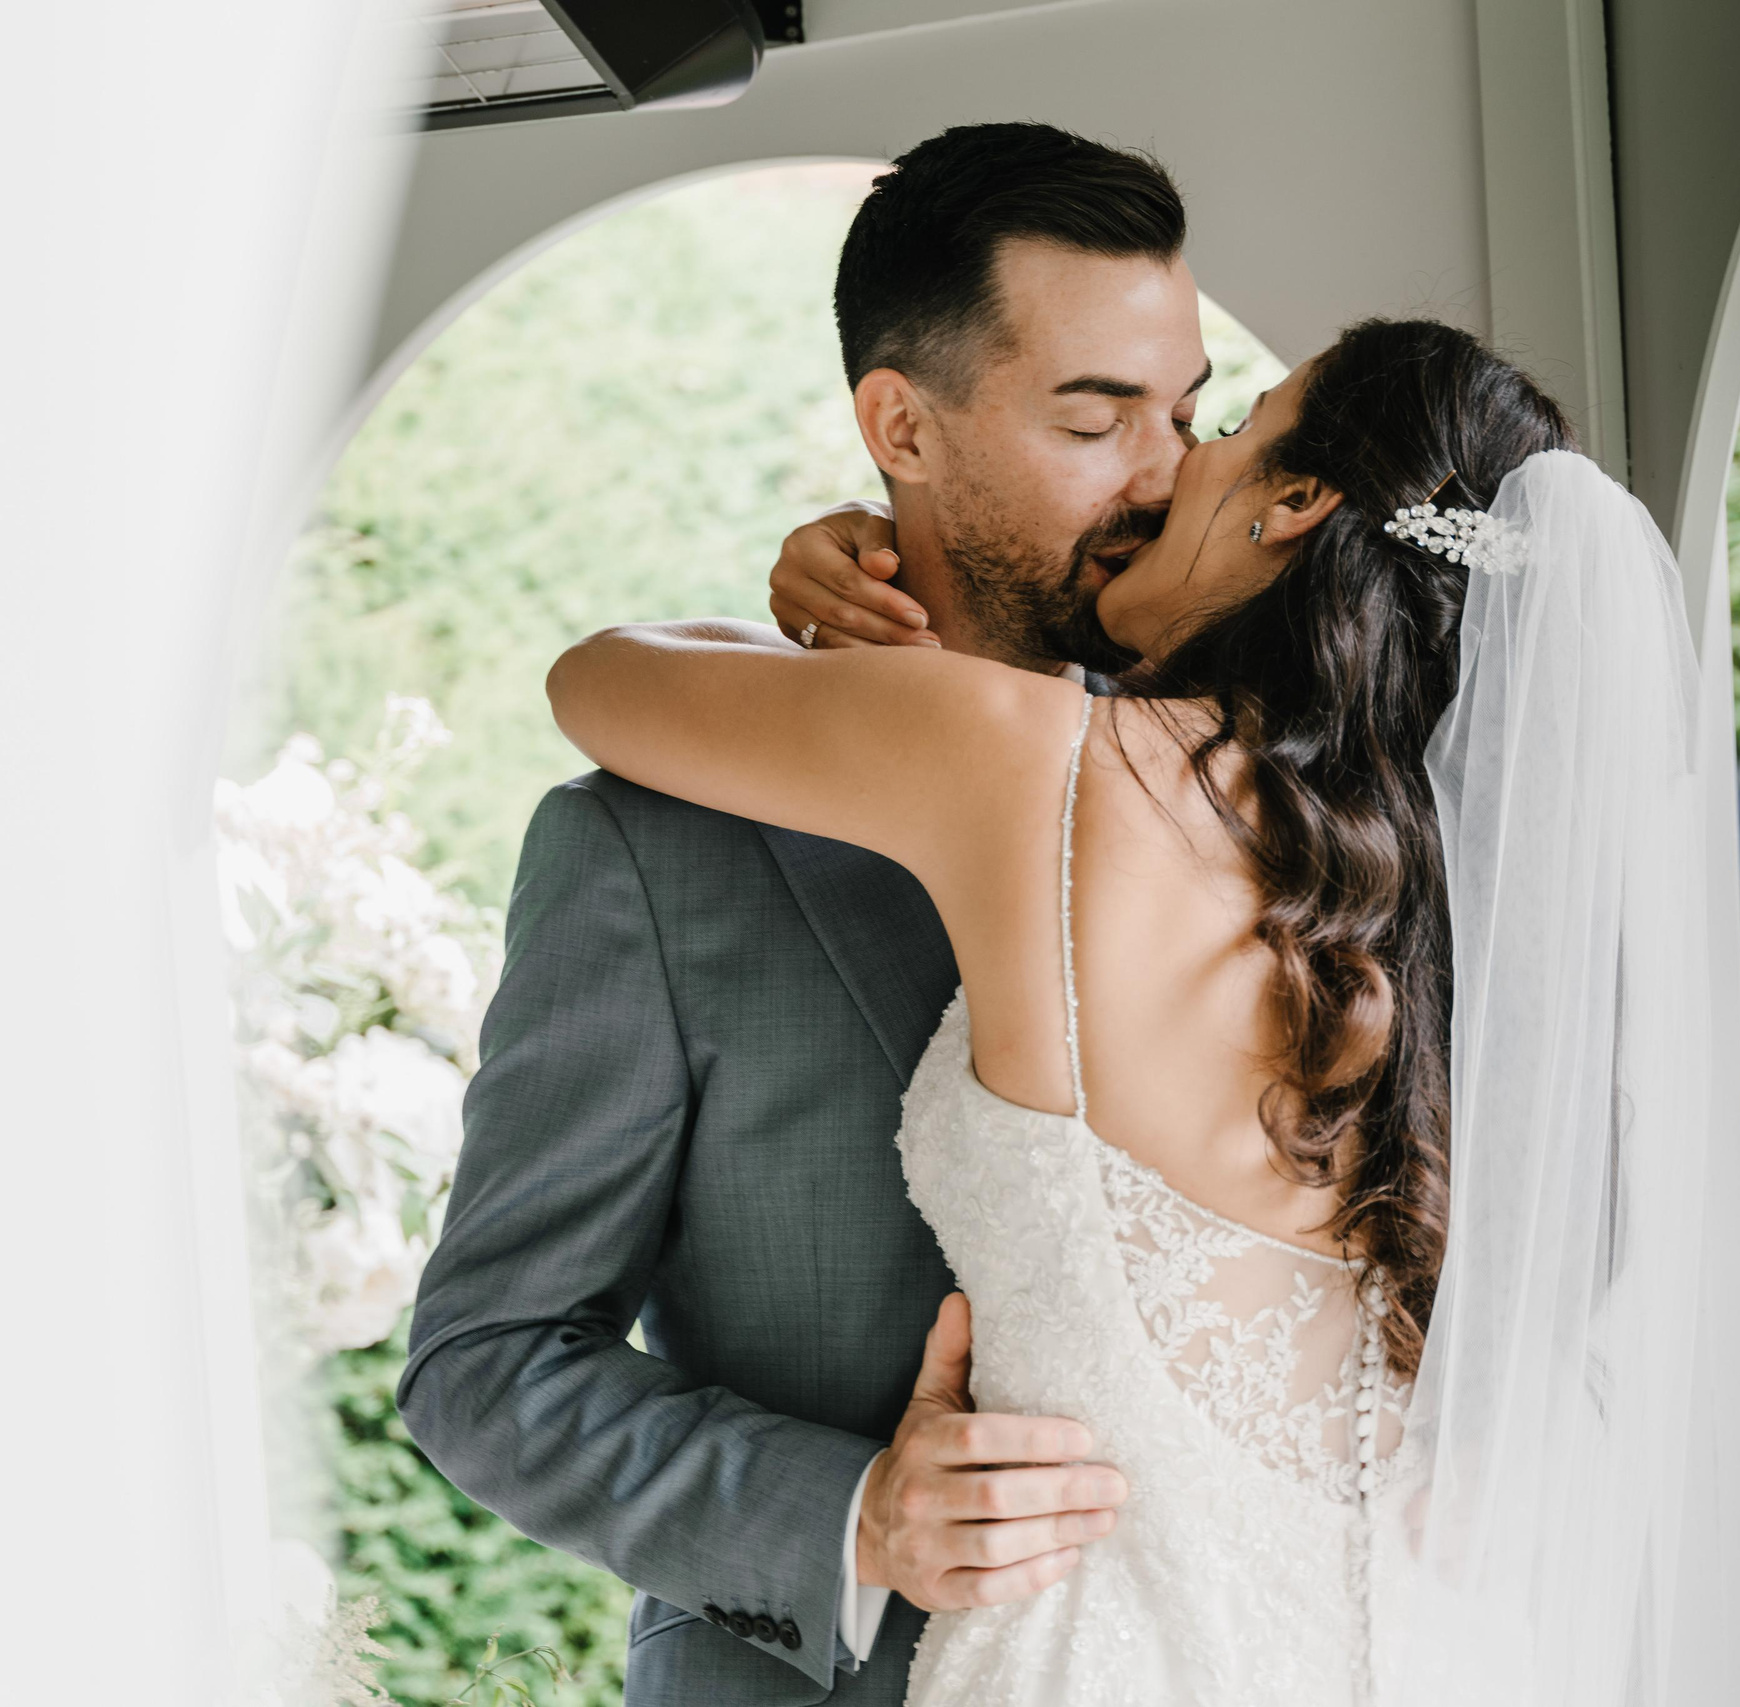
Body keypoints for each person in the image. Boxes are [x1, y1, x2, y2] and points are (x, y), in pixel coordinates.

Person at [541, 314, 1740, 1707]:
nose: (1174, 469)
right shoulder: (1476, 910)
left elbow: (599, 679)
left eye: (1228, 426)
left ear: (1297, 502)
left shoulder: (1046, 768)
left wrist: (831, 594)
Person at [398, 123, 1199, 1707]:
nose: (1164, 473)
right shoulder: (652, 850)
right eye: (1094, 418)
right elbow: (484, 1361)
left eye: (1186, 413)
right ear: (902, 425)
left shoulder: (1277, 802)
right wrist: (854, 1515)